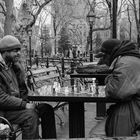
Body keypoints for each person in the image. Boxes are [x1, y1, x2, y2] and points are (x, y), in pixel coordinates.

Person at [0, 35, 56, 139]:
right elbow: (1, 98)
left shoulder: (13, 66)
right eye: (15, 51)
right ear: (5, 51)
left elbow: (22, 89)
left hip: (16, 106)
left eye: (19, 50)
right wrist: (24, 105)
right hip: (4, 111)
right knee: (30, 116)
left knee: (46, 109)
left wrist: (29, 100)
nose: (19, 53)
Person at [95, 39, 140, 137]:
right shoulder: (128, 59)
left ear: (109, 55)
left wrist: (108, 80)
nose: (102, 61)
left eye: (102, 57)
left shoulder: (125, 63)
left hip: (134, 111)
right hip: (133, 107)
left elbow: (116, 92)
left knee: (96, 134)